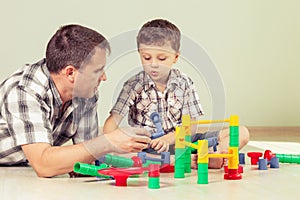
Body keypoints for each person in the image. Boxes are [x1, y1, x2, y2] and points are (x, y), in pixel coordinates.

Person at [0, 24, 151, 177]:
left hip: (19, 167)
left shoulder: (85, 93)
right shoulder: (25, 91)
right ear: (71, 73)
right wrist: (108, 141)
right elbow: (43, 165)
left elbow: (87, 155)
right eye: (97, 70)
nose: (104, 77)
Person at [103, 19, 249, 168]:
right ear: (140, 53)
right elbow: (112, 123)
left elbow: (191, 128)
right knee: (126, 155)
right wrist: (111, 142)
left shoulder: (184, 83)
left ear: (176, 57)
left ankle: (214, 154)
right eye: (146, 57)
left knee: (241, 132)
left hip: (183, 142)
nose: (153, 64)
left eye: (161, 58)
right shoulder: (133, 85)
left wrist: (168, 139)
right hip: (147, 148)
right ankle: (188, 160)